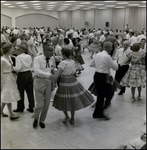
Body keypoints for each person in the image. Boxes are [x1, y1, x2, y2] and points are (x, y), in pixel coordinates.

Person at [52, 48, 95, 124]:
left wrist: (53, 80)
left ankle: (67, 116)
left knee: (63, 99)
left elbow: (57, 75)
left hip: (65, 81)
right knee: (73, 98)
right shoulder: (72, 61)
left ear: (64, 55)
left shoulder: (63, 63)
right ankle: (72, 118)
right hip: (73, 80)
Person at [90, 42, 118, 120]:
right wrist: (114, 60)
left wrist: (99, 65)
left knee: (101, 95)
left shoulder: (97, 54)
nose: (112, 49)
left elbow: (91, 64)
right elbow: (115, 68)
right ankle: (101, 110)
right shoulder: (107, 57)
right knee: (110, 92)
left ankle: (97, 113)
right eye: (111, 47)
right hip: (104, 76)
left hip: (97, 75)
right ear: (109, 48)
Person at [32, 42, 56, 129]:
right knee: (39, 104)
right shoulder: (37, 59)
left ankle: (42, 120)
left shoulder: (52, 58)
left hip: (49, 82)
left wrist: (56, 73)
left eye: (53, 50)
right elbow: (37, 71)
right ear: (45, 50)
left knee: (46, 104)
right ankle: (35, 118)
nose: (52, 52)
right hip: (39, 81)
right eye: (51, 51)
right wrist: (48, 75)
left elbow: (52, 68)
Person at [13, 44, 35, 113]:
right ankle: (31, 107)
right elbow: (31, 64)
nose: (16, 51)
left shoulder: (18, 57)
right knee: (30, 91)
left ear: (21, 50)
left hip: (22, 75)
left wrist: (12, 67)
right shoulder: (28, 56)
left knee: (20, 92)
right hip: (29, 74)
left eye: (17, 49)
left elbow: (18, 68)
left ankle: (20, 107)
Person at [1, 43, 20, 120]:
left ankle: (1, 110)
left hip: (10, 77)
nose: (13, 49)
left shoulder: (9, 57)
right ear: (8, 49)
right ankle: (11, 114)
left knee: (7, 95)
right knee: (8, 95)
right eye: (12, 48)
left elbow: (11, 67)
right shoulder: (2, 60)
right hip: (5, 79)